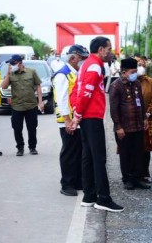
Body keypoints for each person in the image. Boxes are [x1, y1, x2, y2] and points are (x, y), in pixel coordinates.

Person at [70, 36, 124, 212]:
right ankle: (103, 198)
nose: (110, 52)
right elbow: (85, 92)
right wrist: (77, 114)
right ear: (101, 49)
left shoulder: (86, 64)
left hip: (87, 116)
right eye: (109, 49)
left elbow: (76, 91)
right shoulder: (94, 65)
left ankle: (89, 195)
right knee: (99, 158)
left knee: (88, 156)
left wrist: (77, 113)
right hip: (91, 116)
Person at [52, 44, 89, 196]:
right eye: (82, 58)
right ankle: (67, 183)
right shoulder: (63, 74)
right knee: (69, 152)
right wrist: (68, 120)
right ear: (73, 58)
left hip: (77, 119)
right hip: (67, 119)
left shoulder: (76, 72)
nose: (84, 61)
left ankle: (77, 180)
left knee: (79, 150)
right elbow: (61, 99)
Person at [109, 58, 150, 190]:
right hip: (124, 128)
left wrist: (144, 119)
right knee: (126, 154)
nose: (135, 74)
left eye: (136, 71)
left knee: (138, 153)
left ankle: (138, 178)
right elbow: (113, 108)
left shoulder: (137, 84)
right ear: (124, 72)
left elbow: (141, 103)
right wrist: (118, 127)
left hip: (137, 125)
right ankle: (127, 179)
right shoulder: (116, 85)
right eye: (133, 71)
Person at [1, 54, 44, 156]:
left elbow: (38, 86)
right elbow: (4, 86)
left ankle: (32, 147)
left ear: (19, 63)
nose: (11, 65)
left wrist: (40, 102)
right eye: (10, 64)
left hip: (31, 105)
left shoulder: (31, 72)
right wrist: (8, 73)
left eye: (13, 63)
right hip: (17, 106)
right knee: (17, 128)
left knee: (32, 128)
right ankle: (20, 148)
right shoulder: (10, 74)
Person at [136, 57, 152, 182]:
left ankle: (145, 173)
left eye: (142, 64)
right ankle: (132, 174)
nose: (141, 67)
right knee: (133, 147)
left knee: (146, 148)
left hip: (147, 118)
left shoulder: (150, 81)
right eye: (138, 65)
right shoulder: (129, 81)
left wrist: (148, 113)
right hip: (132, 120)